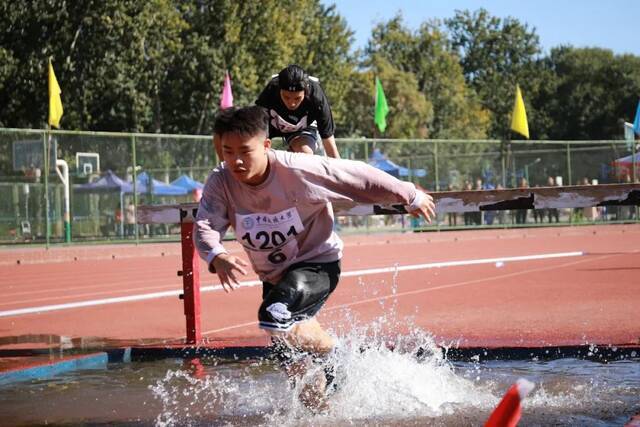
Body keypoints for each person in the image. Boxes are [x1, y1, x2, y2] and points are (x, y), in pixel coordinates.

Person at [194, 106, 434, 410]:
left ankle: (340, 355)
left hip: (317, 263)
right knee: (300, 377)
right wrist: (217, 255)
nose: (236, 161)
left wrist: (409, 194)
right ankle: (328, 403)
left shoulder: (298, 169)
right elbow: (204, 226)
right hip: (274, 277)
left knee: (275, 314)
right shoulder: (221, 181)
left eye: (245, 151)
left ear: (266, 145)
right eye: (228, 152)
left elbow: (355, 175)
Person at [255, 64, 340, 158]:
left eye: (297, 98)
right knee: (256, 151)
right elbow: (256, 126)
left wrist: (339, 172)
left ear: (306, 92)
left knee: (305, 154)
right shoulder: (271, 90)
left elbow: (330, 146)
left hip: (301, 127)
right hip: (273, 124)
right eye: (286, 97)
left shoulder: (316, 98)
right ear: (279, 90)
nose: (291, 103)